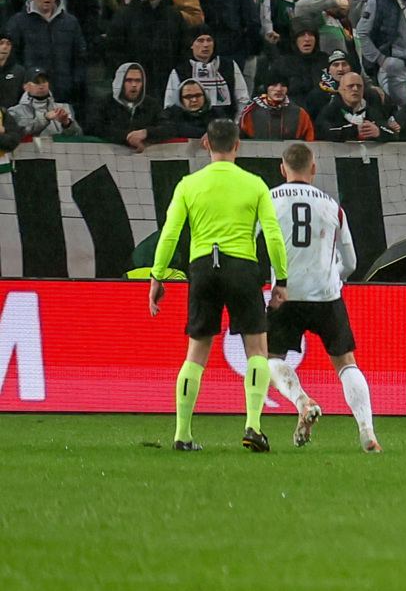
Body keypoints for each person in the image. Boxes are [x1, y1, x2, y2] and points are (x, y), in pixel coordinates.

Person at [147, 119, 290, 453]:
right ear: (237, 145)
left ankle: (182, 435)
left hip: (202, 269)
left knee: (196, 352)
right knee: (257, 350)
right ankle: (253, 426)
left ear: (206, 144)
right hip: (241, 268)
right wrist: (280, 279)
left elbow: (169, 233)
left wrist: (158, 275)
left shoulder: (188, 184)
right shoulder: (254, 184)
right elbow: (273, 235)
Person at [262, 143, 380, 453]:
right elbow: (351, 262)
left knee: (271, 359)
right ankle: (368, 433)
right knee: (346, 364)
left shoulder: (268, 201)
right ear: (313, 169)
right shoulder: (332, 206)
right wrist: (333, 278)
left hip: (286, 293)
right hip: (327, 295)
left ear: (282, 169)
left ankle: (302, 401)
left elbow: (250, 242)